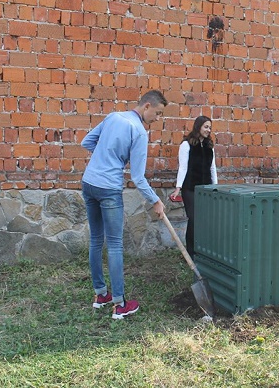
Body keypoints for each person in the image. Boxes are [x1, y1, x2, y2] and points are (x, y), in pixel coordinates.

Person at [81, 90, 168, 319]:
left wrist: (105, 155)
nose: (157, 119)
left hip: (89, 182)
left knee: (96, 240)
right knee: (116, 245)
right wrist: (156, 201)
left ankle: (101, 295)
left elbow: (86, 142)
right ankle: (119, 305)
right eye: (157, 114)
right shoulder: (138, 131)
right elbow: (138, 178)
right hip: (108, 188)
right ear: (146, 106)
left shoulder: (112, 117)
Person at [170, 116, 218, 257]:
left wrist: (215, 187)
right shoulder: (186, 145)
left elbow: (213, 168)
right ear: (198, 127)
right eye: (206, 127)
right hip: (190, 188)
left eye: (210, 127)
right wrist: (178, 188)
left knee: (204, 219)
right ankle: (191, 252)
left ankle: (202, 249)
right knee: (194, 218)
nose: (208, 130)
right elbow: (183, 168)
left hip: (206, 189)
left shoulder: (210, 146)